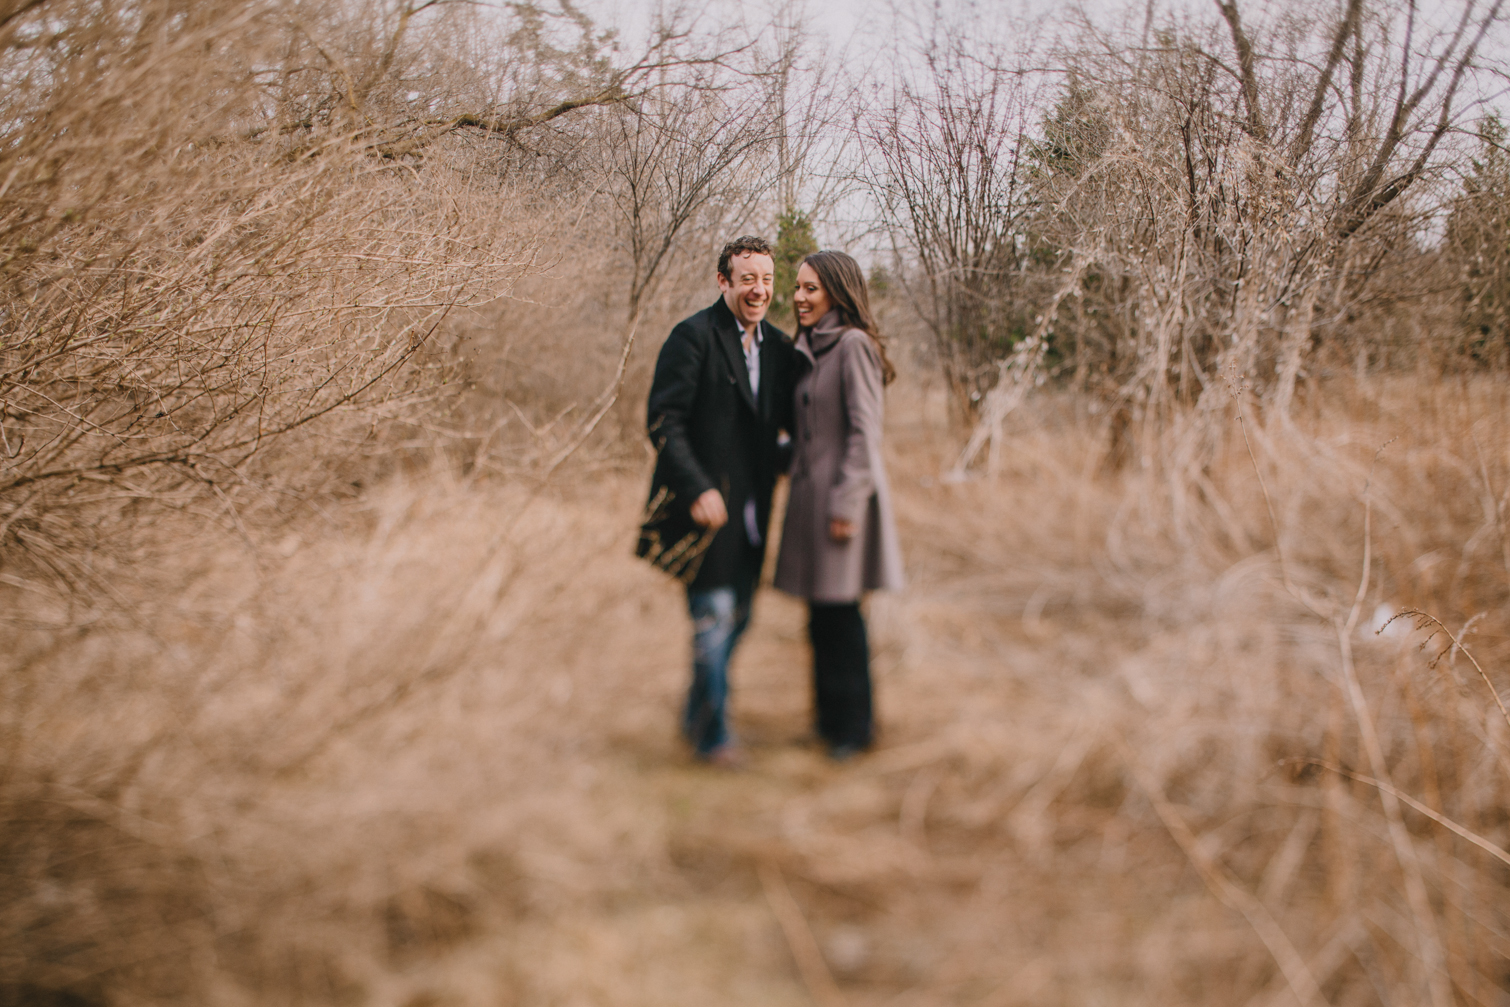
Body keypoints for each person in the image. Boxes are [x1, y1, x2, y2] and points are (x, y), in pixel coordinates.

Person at [636, 236, 795, 766]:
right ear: (724, 281)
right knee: (714, 617)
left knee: (741, 618)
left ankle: (695, 714)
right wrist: (697, 486)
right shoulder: (692, 337)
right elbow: (664, 420)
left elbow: (790, 425)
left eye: (767, 279)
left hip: (752, 517)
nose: (759, 289)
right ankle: (715, 739)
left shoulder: (779, 346)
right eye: (748, 278)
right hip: (703, 513)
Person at [774, 250, 904, 761]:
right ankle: (828, 723)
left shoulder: (852, 346)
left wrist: (847, 503)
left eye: (811, 289)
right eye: (798, 288)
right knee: (819, 614)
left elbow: (864, 434)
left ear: (836, 292)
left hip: (842, 500)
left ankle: (855, 729)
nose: (799, 297)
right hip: (809, 498)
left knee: (842, 613)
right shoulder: (809, 347)